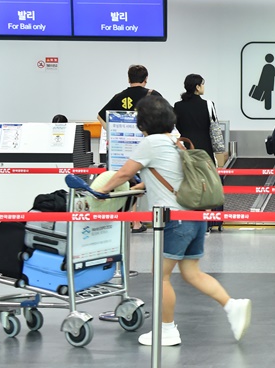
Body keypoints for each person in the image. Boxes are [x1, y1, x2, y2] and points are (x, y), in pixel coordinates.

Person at [94, 95, 251, 346]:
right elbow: (161, 176)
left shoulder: (151, 142)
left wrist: (100, 192)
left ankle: (167, 330)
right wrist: (136, 189)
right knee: (191, 272)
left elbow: (124, 172)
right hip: (194, 216)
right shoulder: (175, 141)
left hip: (175, 220)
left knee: (161, 276)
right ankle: (232, 305)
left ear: (143, 122)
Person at [98, 64, 162, 233]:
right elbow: (167, 116)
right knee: (148, 181)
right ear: (146, 79)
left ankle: (130, 220)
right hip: (144, 146)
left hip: (122, 147)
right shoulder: (153, 95)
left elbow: (99, 115)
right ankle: (142, 221)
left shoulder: (119, 96)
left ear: (128, 78)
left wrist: (112, 132)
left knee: (126, 181)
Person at [173, 74, 217, 163]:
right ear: (197, 87)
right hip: (205, 147)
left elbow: (178, 126)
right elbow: (213, 125)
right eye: (202, 84)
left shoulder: (178, 106)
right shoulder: (208, 105)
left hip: (186, 146)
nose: (203, 87)